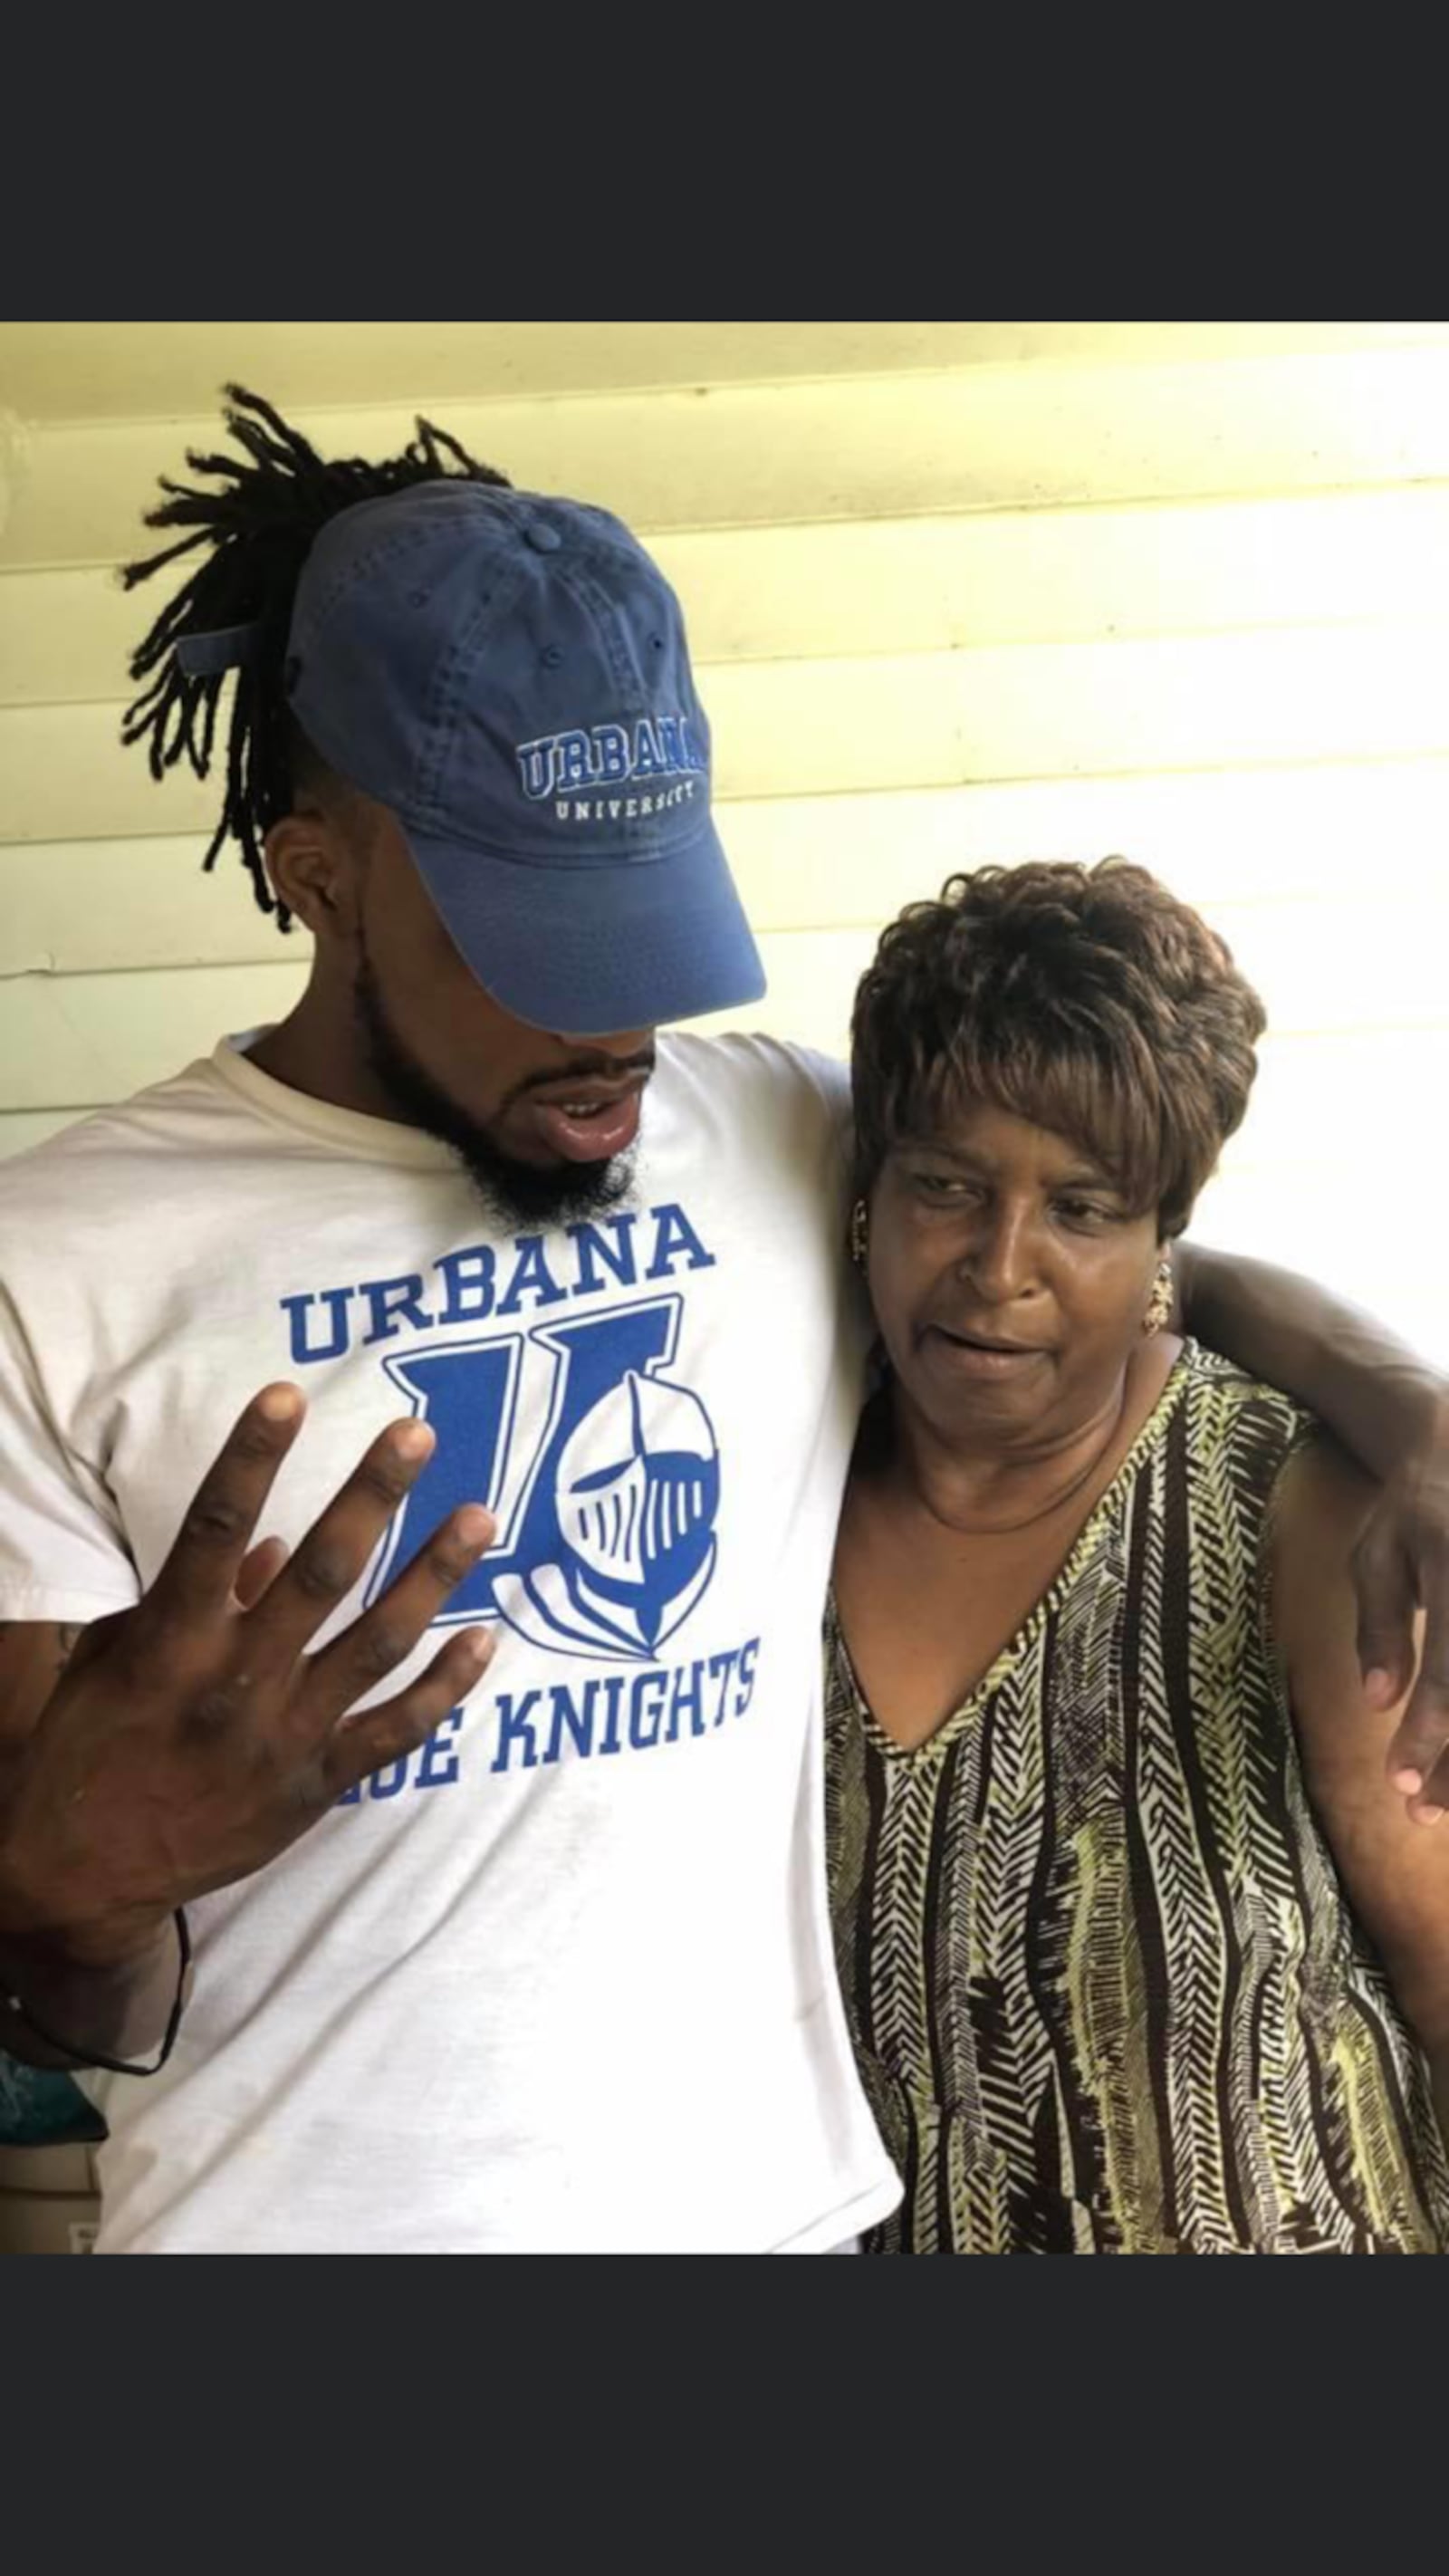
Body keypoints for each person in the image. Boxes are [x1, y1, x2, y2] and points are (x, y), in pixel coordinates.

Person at [0, 391, 1444, 2254]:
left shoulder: (772, 1130)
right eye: (534, 943)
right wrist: (69, 1897)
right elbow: (73, 1995)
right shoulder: (55, 1270)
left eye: (644, 918)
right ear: (316, 867)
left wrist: (1405, 1412)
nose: (616, 1035)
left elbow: (1118, 1259)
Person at [827, 860, 1449, 2253]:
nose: (1001, 1265)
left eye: (1083, 1209)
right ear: (868, 1187)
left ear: (1163, 1239)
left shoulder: (1287, 1500)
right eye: (947, 1186)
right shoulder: (777, 1501)